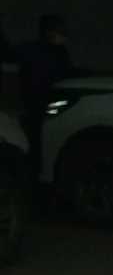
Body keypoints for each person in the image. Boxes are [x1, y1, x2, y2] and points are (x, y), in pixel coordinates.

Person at [15, 15, 74, 188]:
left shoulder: (59, 53)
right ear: (48, 32)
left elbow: (67, 74)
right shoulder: (33, 51)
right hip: (36, 108)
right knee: (35, 146)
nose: (62, 34)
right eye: (58, 30)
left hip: (52, 108)